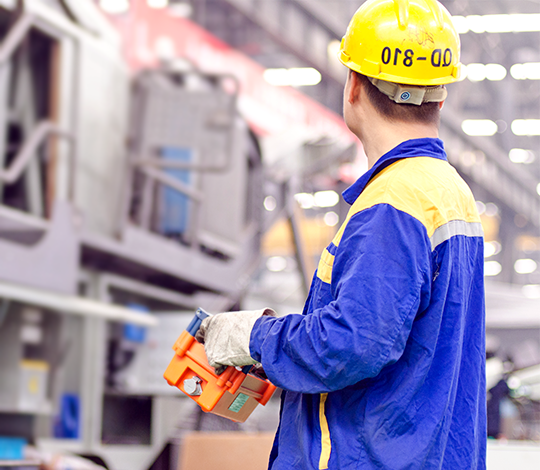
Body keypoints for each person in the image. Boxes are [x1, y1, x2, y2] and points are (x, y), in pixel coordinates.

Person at [196, 0, 487, 468]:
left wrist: (255, 337)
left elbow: (353, 345)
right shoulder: (449, 192)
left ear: (353, 85)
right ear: (441, 95)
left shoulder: (394, 202)